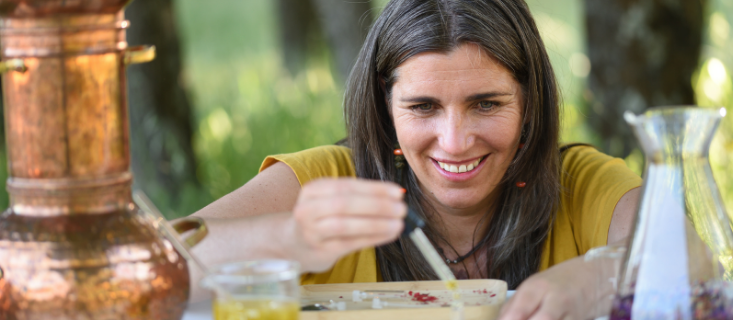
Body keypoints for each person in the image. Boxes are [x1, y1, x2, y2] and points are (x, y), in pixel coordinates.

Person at [189, 0, 642, 319]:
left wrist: (598, 278)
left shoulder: (579, 184)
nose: (455, 141)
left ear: (529, 105)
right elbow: (146, 271)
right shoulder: (324, 183)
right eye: (423, 107)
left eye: (486, 104)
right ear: (386, 112)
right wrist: (288, 237)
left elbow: (688, 257)